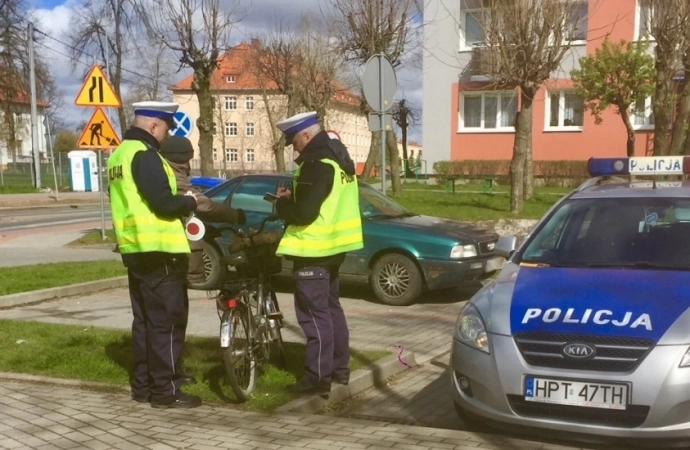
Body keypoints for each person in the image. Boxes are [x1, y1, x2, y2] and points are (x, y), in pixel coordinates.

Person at [107, 101, 201, 409]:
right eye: (165, 129)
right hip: (160, 252)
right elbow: (163, 203)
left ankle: (144, 386)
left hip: (135, 250)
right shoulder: (145, 156)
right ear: (153, 126)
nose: (166, 136)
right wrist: (188, 202)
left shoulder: (119, 155)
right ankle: (166, 390)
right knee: (167, 324)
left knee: (145, 323)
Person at [269, 111, 363, 395]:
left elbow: (305, 212)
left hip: (313, 250)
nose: (294, 148)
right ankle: (339, 370)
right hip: (334, 248)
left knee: (313, 315)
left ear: (307, 136)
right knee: (331, 310)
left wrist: (283, 204)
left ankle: (316, 377)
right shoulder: (340, 162)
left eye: (295, 141)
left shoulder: (316, 164)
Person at [159, 135, 247, 286]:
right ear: (182, 159)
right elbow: (204, 206)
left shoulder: (167, 172)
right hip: (172, 253)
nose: (189, 164)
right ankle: (193, 276)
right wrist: (235, 215)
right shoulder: (173, 176)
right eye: (188, 159)